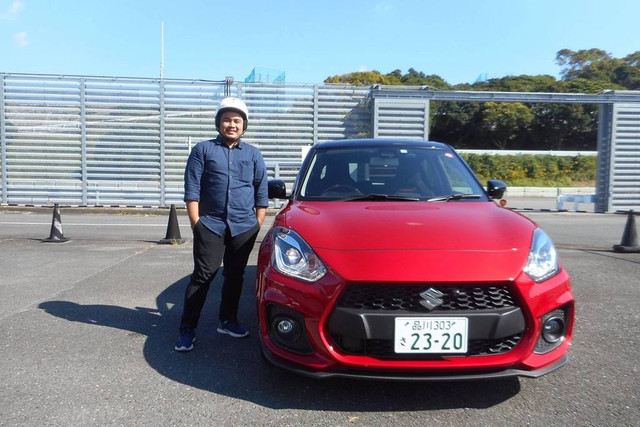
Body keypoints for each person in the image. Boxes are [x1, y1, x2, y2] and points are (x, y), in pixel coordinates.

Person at [175, 97, 268, 352]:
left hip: (244, 227)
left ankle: (227, 320)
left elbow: (261, 191)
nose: (231, 124)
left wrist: (257, 223)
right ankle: (187, 328)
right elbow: (192, 188)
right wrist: (197, 223)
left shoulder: (253, 154)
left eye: (237, 120)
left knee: (235, 276)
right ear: (218, 123)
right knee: (203, 276)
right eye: (226, 119)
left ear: (243, 125)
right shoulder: (203, 150)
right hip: (211, 224)